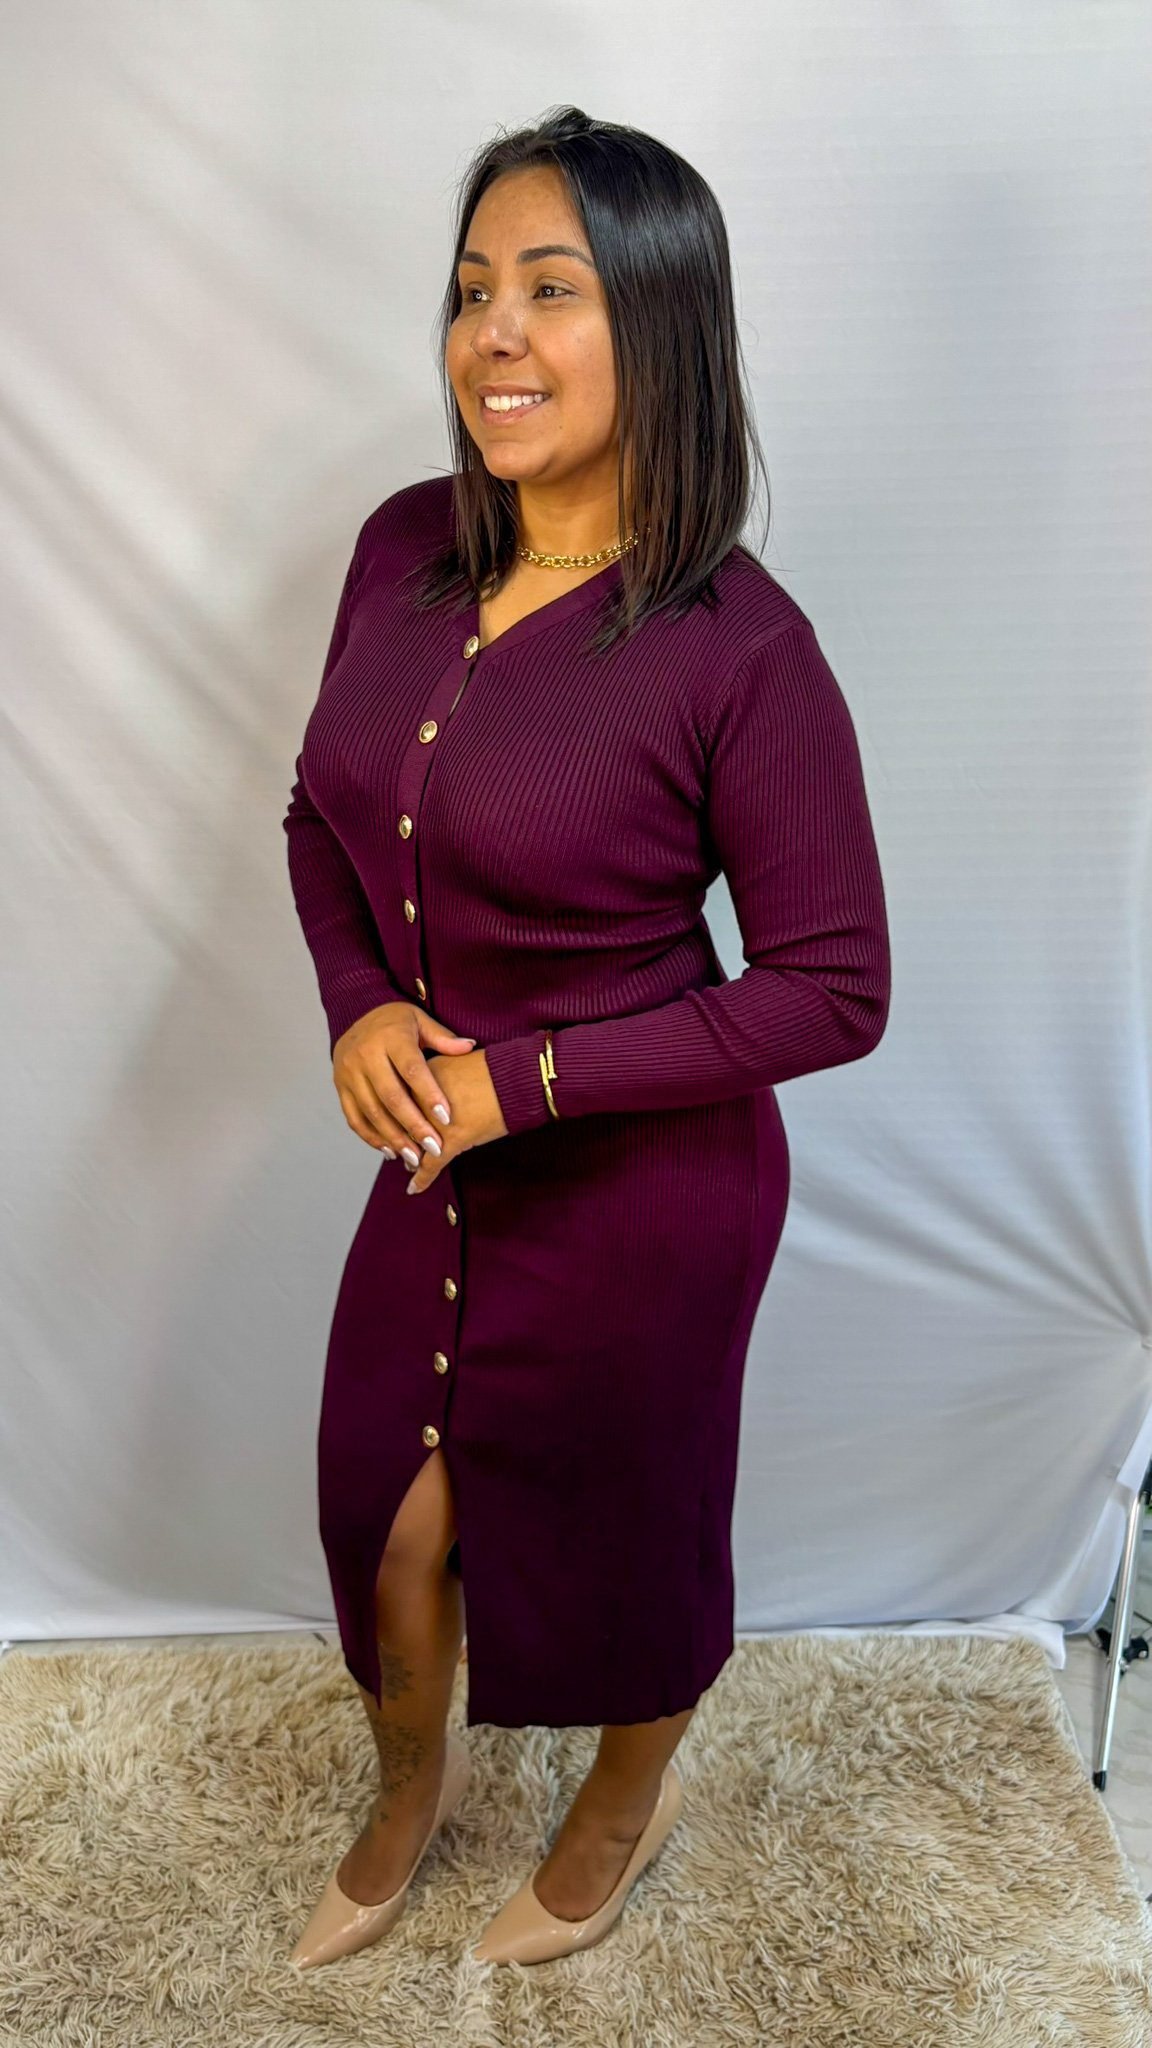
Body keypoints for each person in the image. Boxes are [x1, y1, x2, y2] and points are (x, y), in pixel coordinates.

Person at [283, 104, 891, 1971]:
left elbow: (834, 985)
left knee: (630, 1542)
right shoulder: (403, 550)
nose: (495, 335)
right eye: (474, 288)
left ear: (660, 321)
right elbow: (318, 818)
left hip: (648, 1194)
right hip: (439, 1163)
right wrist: (363, 1004)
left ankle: (628, 1799)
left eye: (553, 291)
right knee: (388, 1526)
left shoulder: (739, 649)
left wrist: (522, 1078)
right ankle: (410, 1791)